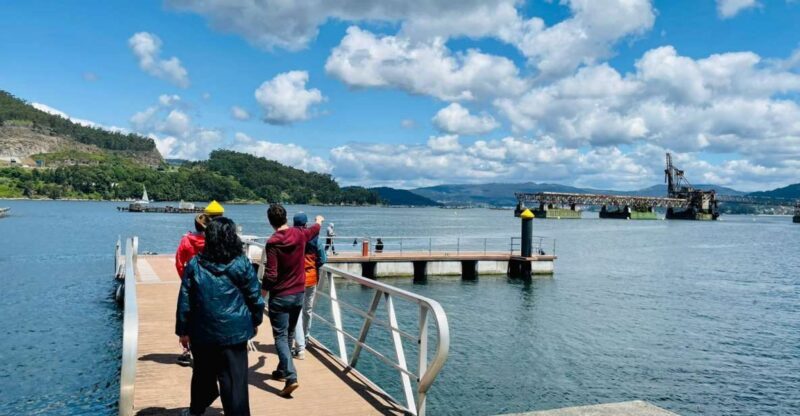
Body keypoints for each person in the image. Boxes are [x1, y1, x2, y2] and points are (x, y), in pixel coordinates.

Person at [176, 217, 264, 416]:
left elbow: (185, 300)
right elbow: (255, 297)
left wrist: (183, 330)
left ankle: (197, 409)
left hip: (202, 330)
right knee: (235, 380)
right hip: (234, 332)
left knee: (201, 374)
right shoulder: (241, 263)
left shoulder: (195, 264)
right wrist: (255, 321)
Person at [262, 204, 323, 397]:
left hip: (280, 296)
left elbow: (271, 275)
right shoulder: (299, 234)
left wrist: (260, 296)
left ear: (270, 221)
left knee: (280, 336)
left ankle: (291, 376)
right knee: (288, 334)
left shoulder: (273, 242)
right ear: (286, 217)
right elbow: (314, 229)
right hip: (298, 294)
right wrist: (319, 221)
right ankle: (282, 370)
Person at [174, 213, 211, 366]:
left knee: (187, 313)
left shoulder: (186, 240)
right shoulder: (211, 241)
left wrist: (184, 278)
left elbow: (178, 261)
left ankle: (186, 349)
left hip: (190, 282)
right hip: (209, 282)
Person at [290, 212, 327, 360]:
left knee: (297, 311)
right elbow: (323, 258)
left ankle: (298, 343)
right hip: (311, 279)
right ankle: (305, 338)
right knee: (308, 310)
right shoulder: (315, 240)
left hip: (296, 280)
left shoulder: (292, 238)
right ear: (305, 225)